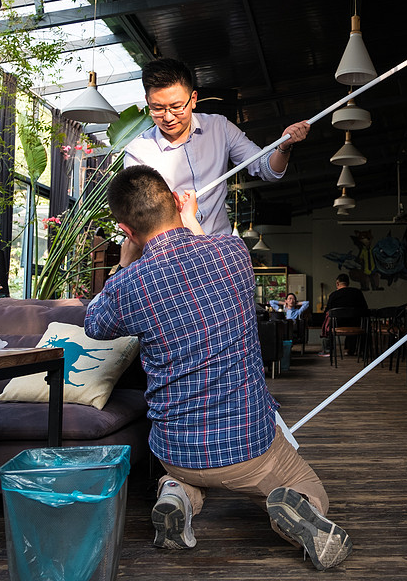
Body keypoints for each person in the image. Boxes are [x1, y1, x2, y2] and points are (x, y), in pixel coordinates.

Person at [84, 165, 351, 570]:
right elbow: (200, 254)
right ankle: (291, 505)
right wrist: (191, 221)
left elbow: (94, 324)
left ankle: (175, 494)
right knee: (307, 487)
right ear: (176, 201)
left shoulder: (128, 286)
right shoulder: (233, 254)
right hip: (248, 449)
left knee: (187, 475)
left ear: (126, 229)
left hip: (175, 449)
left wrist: (125, 262)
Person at [124, 58, 311, 235]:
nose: (168, 117)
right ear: (148, 102)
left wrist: (284, 146)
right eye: (158, 108)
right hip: (170, 254)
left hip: (217, 247)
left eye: (177, 106)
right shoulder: (138, 152)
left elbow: (267, 169)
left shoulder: (219, 127)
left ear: (193, 99)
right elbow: (139, 217)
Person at [322, 273, 368, 357]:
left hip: (338, 324)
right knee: (355, 322)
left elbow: (327, 312)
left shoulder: (333, 295)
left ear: (337, 283)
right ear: (348, 283)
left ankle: (329, 350)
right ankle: (357, 350)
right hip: (356, 324)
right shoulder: (357, 293)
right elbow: (365, 309)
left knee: (330, 321)